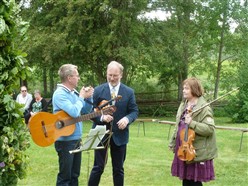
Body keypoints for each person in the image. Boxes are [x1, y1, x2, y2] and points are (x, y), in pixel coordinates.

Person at [88, 61, 139, 186]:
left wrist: (127, 119)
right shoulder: (98, 90)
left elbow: (134, 111)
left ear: (121, 74)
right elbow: (90, 112)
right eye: (109, 75)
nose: (112, 78)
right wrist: (101, 117)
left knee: (118, 169)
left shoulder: (129, 92)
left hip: (120, 136)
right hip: (100, 134)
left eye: (115, 75)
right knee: (97, 168)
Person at [169, 77, 218, 186]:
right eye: (183, 88)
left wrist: (191, 123)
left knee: (194, 181)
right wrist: (172, 142)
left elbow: (209, 129)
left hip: (195, 149)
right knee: (186, 180)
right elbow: (178, 124)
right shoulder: (184, 104)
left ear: (194, 90)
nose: (183, 91)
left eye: (186, 88)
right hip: (183, 147)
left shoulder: (204, 108)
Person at [52, 64, 94, 186]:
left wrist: (89, 98)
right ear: (70, 78)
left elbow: (85, 111)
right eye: (77, 76)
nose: (79, 78)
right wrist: (81, 97)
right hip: (65, 141)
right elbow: (75, 112)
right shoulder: (60, 94)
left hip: (75, 139)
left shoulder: (73, 93)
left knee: (75, 175)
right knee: (65, 177)